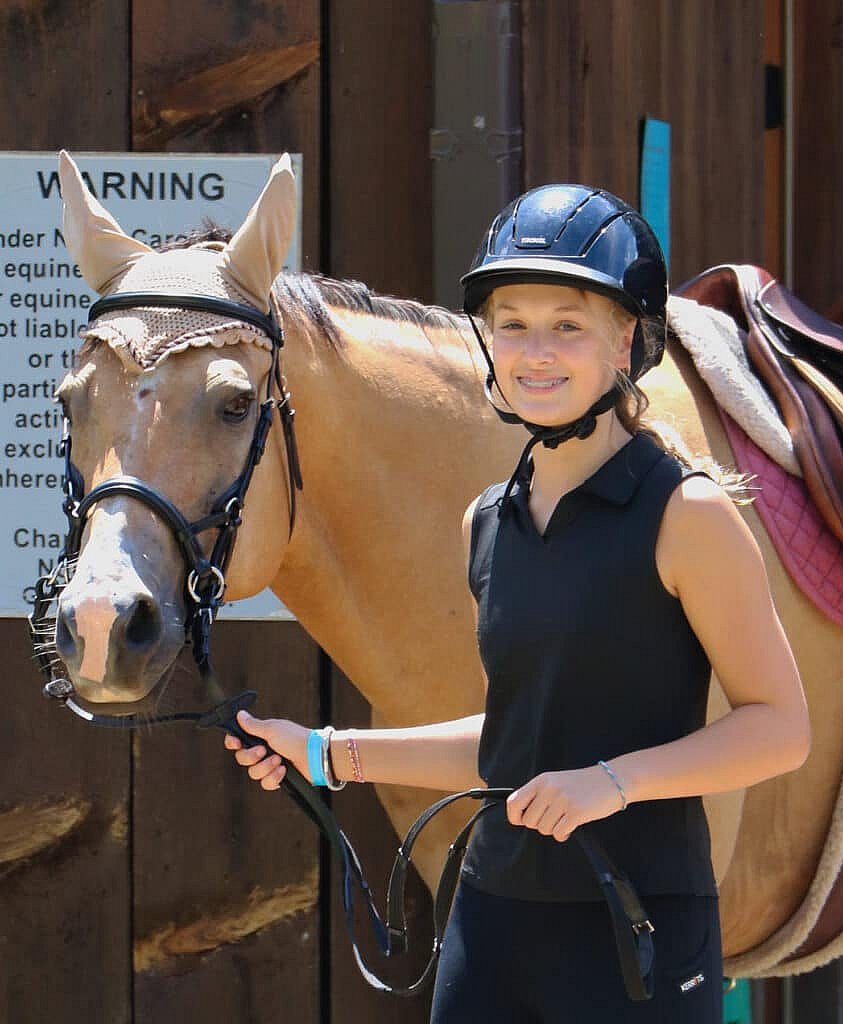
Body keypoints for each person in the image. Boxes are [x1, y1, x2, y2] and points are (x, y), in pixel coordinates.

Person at [225, 184, 810, 1022]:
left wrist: (613, 783)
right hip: (492, 918)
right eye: (512, 324)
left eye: (567, 325)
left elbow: (780, 727)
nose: (535, 351)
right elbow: (513, 740)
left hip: (636, 928)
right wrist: (323, 753)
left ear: (626, 340)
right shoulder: (487, 523)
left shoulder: (688, 515)